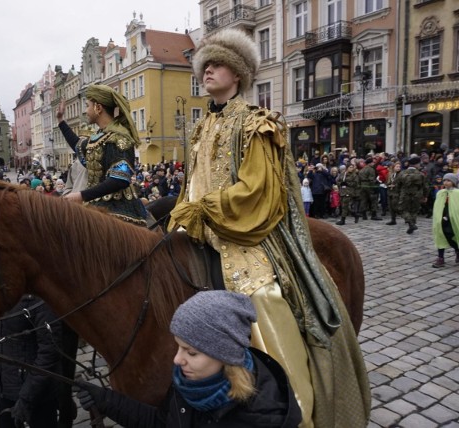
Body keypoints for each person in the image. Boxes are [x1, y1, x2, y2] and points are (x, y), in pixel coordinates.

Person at [167, 28, 370, 427]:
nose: (207, 70)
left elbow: (256, 194)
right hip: (199, 231)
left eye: (217, 63)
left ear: (238, 73)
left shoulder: (256, 123)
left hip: (246, 238)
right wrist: (180, 218)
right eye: (203, 64)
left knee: (262, 296)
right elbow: (190, 185)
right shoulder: (200, 127)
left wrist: (203, 210)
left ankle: (297, 408)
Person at [73, 290, 301, 427]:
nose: (177, 360)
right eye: (179, 347)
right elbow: (162, 423)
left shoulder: (261, 419)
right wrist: (105, 400)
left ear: (225, 356)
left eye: (191, 352)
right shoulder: (191, 383)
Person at [56, 84, 148, 226]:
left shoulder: (119, 138)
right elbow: (78, 145)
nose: (85, 111)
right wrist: (61, 121)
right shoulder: (100, 136)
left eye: (87, 106)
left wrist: (81, 195)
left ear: (98, 108)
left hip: (118, 209)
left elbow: (120, 179)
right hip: (98, 205)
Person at [0, 295, 64, 428]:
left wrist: (26, 399)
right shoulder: (5, 292)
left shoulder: (40, 302)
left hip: (39, 395)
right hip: (6, 388)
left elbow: (49, 353)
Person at [431, 173, 459, 268]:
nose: (446, 182)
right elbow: (438, 206)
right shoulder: (441, 193)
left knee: (451, 236)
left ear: (453, 182)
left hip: (453, 219)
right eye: (444, 180)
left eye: (448, 181)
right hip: (441, 219)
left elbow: (456, 208)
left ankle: (457, 250)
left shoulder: (457, 193)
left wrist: (448, 216)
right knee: (440, 235)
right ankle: (440, 257)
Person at [396, 155, 427, 234]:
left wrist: (398, 193)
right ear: (416, 164)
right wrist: (425, 196)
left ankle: (410, 223)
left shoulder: (402, 173)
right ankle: (412, 224)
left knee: (403, 209)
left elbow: (397, 185)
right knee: (414, 210)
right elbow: (425, 187)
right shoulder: (421, 174)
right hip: (417, 194)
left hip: (405, 193)